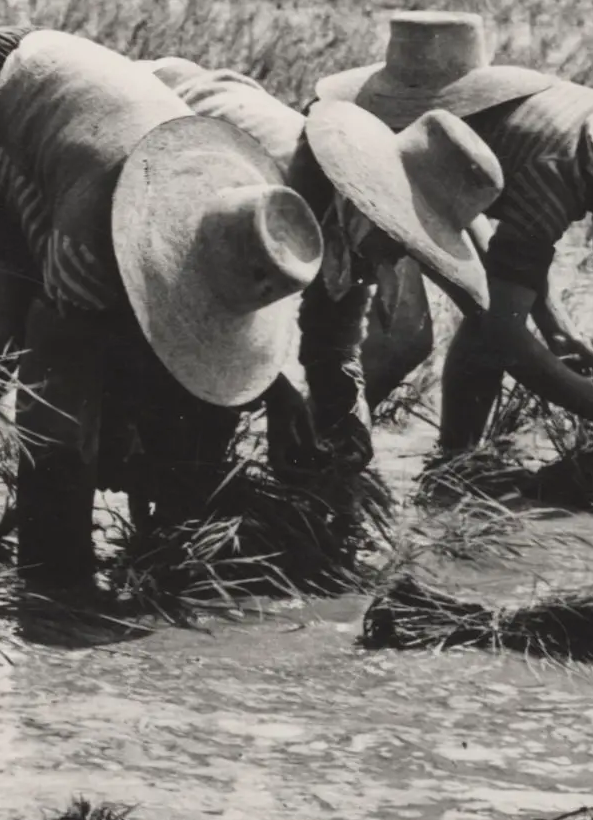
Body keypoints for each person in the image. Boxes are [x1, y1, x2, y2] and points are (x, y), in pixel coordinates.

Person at [0, 29, 322, 597]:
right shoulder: (99, 241)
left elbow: (181, 341)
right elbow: (52, 416)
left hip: (59, 107)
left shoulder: (232, 213)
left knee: (135, 360)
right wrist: (59, 581)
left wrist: (272, 387)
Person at [320, 13, 593, 463]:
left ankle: (454, 461)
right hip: (378, 162)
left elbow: (516, 251)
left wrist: (554, 324)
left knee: (482, 312)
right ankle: (323, 455)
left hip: (449, 186)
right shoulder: (560, 169)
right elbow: (504, 333)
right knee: (406, 337)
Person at [145, 57, 504, 524]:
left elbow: (332, 335)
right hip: (164, 130)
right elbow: (199, 311)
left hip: (216, 109)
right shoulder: (280, 199)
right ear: (382, 204)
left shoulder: (360, 229)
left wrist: (346, 416)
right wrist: (276, 394)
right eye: (406, 238)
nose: (400, 257)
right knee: (182, 412)